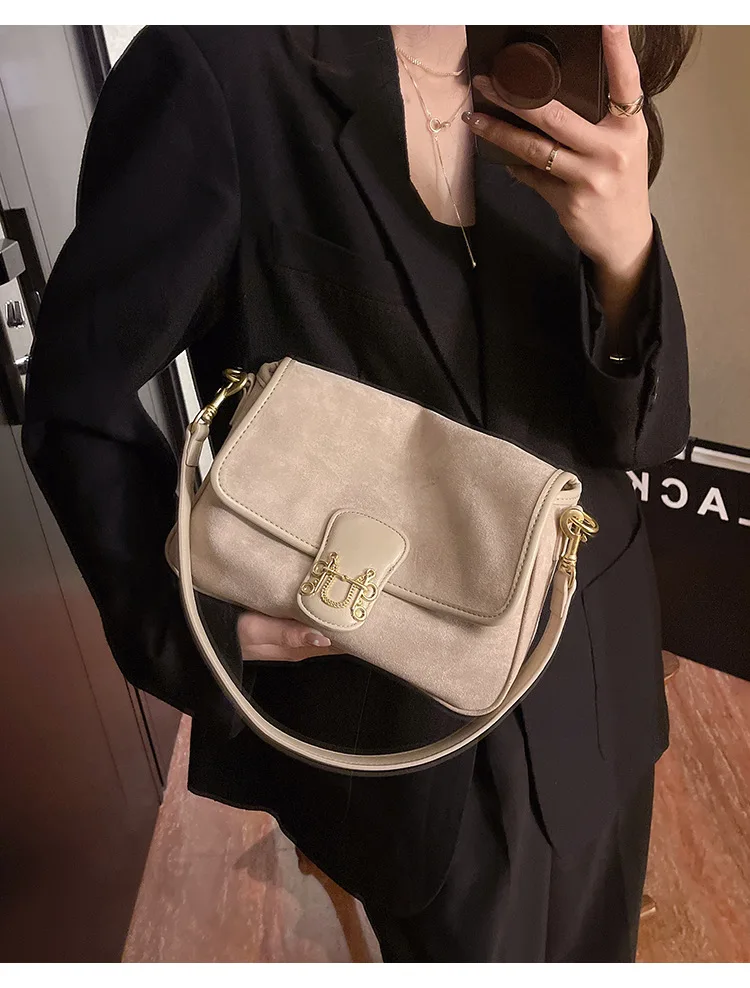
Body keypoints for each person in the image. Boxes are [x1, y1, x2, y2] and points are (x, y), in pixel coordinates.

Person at [21, 25, 695, 962]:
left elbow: (642, 436)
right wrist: (187, 617)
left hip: (591, 674)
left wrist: (628, 256)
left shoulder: (557, 62)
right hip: (397, 723)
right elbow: (74, 395)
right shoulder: (219, 72)